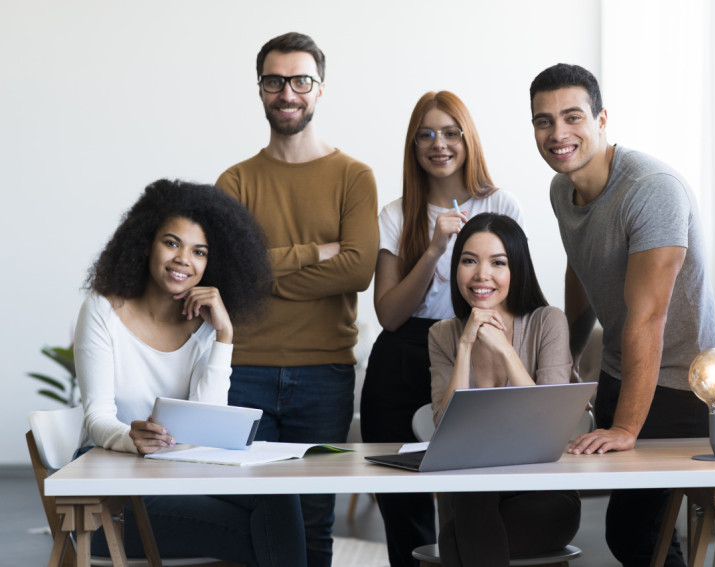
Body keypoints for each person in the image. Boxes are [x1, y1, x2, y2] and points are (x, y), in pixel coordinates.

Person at [529, 63, 715, 566]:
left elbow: (649, 318)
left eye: (572, 117)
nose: (558, 134)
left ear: (601, 120)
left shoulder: (650, 190)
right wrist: (567, 361)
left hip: (684, 383)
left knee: (635, 534)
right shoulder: (562, 190)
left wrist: (626, 430)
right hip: (623, 369)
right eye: (543, 121)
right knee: (645, 537)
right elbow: (581, 272)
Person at [74, 179, 307, 567]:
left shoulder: (204, 328)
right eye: (171, 243)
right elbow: (97, 416)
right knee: (262, 535)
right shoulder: (103, 310)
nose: (184, 259)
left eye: (199, 251)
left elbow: (206, 423)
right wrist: (132, 437)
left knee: (278, 494)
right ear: (146, 242)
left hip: (177, 478)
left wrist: (224, 336)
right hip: (108, 497)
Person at [215, 31, 378, 567]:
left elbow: (356, 270)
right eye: (275, 80)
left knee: (313, 517)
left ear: (320, 89)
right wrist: (315, 253)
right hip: (246, 370)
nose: (288, 92)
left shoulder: (354, 177)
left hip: (324, 374)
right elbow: (230, 275)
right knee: (252, 514)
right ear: (260, 89)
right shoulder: (234, 182)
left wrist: (265, 267)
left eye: (301, 80)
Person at [359, 91, 523, 567]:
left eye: (451, 132)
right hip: (402, 356)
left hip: (471, 345)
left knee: (471, 499)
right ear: (413, 146)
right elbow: (389, 315)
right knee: (402, 503)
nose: (439, 144)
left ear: (468, 139)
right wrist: (433, 250)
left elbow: (518, 290)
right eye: (426, 134)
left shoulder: (501, 203)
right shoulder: (395, 214)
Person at [428, 213, 581, 567]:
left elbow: (549, 427)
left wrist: (505, 349)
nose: (482, 275)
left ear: (518, 270)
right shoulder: (443, 335)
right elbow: (444, 428)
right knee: (472, 499)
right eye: (469, 261)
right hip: (473, 497)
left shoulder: (547, 322)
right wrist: (466, 346)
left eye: (498, 263)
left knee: (455, 539)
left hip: (543, 495)